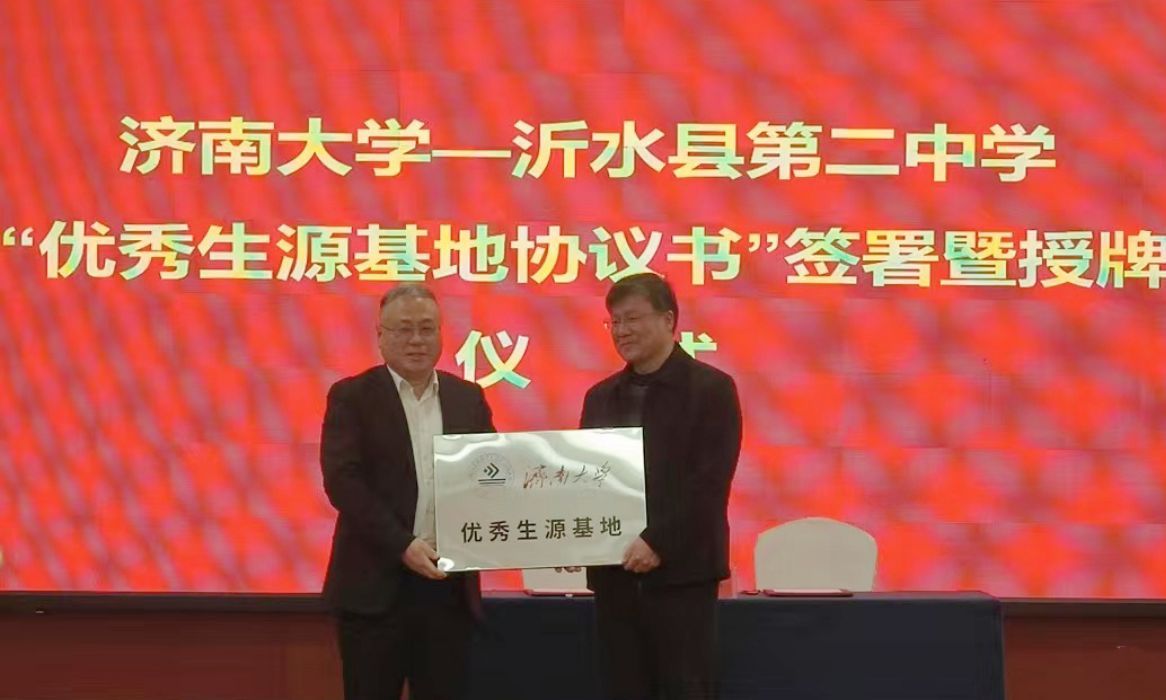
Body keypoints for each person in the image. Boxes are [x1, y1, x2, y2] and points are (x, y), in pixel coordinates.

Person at [320, 284, 496, 700]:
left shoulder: (467, 398)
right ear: (380, 336)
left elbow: (491, 475)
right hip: (374, 589)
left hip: (447, 588)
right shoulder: (352, 396)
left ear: (441, 334)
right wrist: (403, 545)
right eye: (404, 329)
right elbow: (343, 482)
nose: (416, 340)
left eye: (426, 328)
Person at [580, 272, 742, 700]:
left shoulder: (711, 389)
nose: (621, 331)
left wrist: (657, 542)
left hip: (682, 578)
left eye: (632, 318)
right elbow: (586, 480)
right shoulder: (600, 397)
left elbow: (709, 483)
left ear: (668, 319)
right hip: (615, 579)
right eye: (614, 321)